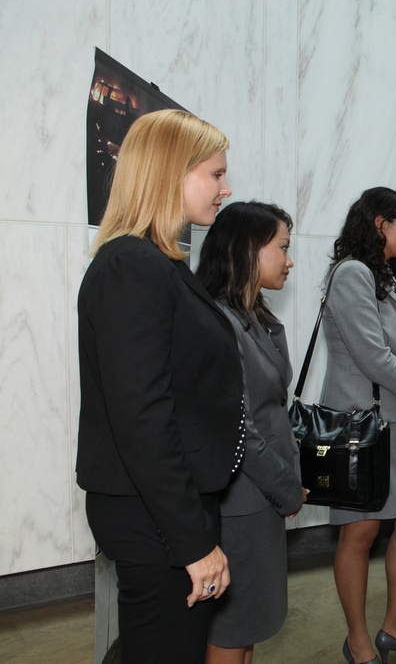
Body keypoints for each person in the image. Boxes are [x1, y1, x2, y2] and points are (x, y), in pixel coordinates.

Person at [76, 109, 243, 662]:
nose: (226, 188)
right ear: (171, 172)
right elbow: (143, 417)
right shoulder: (132, 266)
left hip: (164, 506)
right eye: (215, 174)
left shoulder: (157, 263)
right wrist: (192, 543)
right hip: (153, 513)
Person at [321, 187, 396, 664]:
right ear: (378, 225)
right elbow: (373, 357)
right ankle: (359, 642)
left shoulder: (382, 275)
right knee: (361, 532)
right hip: (361, 426)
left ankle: (394, 628)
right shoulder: (351, 274)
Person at [196, 201, 308, 663]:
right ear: (248, 250)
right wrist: (287, 489)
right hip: (242, 502)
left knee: (249, 628)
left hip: (261, 497)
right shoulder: (221, 321)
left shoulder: (254, 317)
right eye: (281, 247)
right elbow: (239, 428)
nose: (289, 259)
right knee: (233, 630)